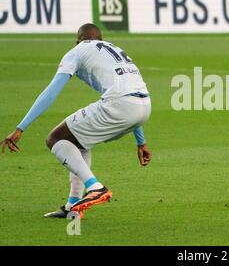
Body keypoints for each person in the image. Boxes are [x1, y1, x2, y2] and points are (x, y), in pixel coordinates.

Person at [1, 23, 152, 217]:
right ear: (101, 39)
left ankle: (95, 187)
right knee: (77, 140)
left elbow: (51, 92)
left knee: (55, 138)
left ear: (77, 41)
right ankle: (72, 206)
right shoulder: (115, 50)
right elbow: (132, 93)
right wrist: (142, 141)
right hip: (145, 107)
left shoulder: (77, 51)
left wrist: (21, 127)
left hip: (120, 104)